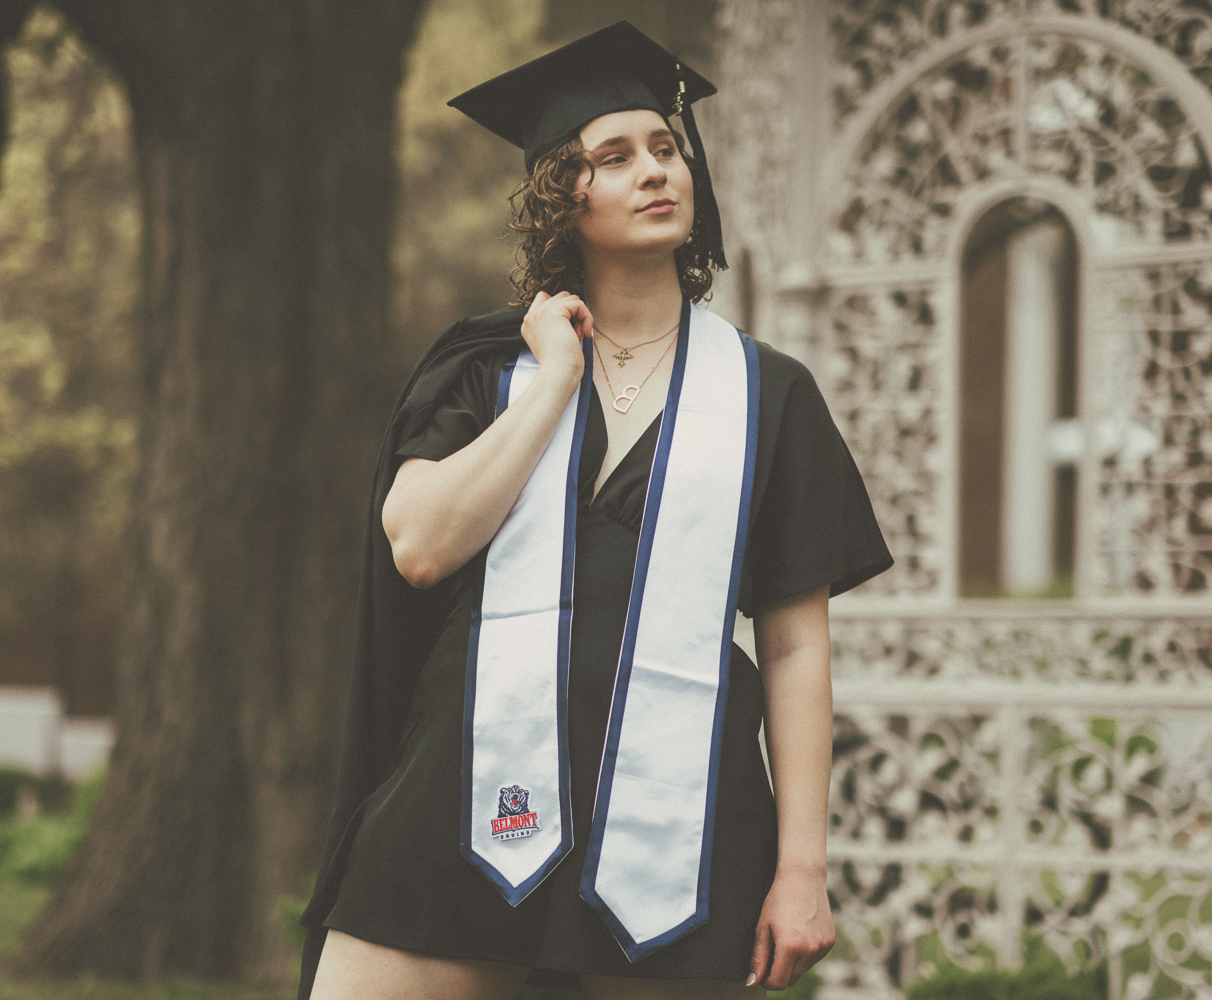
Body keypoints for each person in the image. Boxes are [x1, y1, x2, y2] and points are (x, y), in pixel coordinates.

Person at [296, 21, 892, 1000]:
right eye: (613, 157)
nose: (656, 171)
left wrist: (801, 867)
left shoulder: (765, 395)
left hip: (677, 823)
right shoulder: (487, 368)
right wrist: (553, 383)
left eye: (666, 148)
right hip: (464, 797)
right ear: (557, 198)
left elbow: (795, 647)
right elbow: (419, 544)